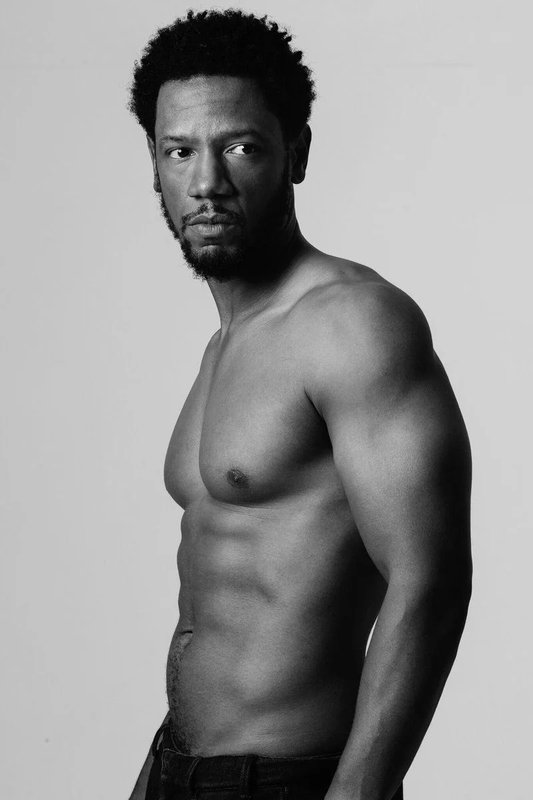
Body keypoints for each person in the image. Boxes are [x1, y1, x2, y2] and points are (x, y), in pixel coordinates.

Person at [127, 9, 472, 800]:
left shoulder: (351, 322)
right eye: (180, 150)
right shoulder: (225, 345)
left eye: (239, 146)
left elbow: (430, 578)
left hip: (293, 779)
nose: (206, 182)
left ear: (296, 152)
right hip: (176, 769)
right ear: (155, 164)